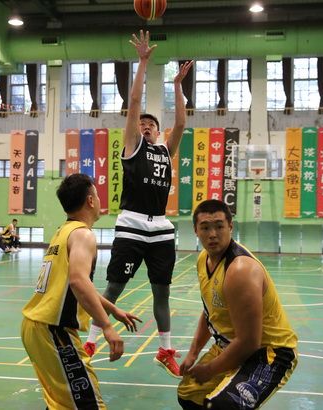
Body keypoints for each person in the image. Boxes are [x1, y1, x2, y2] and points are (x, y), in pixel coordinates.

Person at [83, 30, 193, 378]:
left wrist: (177, 84)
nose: (145, 126)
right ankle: (90, 343)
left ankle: (165, 349)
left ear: (158, 132)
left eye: (150, 124)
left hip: (160, 227)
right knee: (114, 288)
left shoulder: (165, 151)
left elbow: (181, 122)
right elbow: (133, 103)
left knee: (162, 293)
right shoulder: (132, 147)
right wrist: (143, 62)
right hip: (131, 224)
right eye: (141, 123)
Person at [21, 173, 141, 409]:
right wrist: (106, 326)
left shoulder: (63, 232)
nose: (99, 200)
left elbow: (74, 281)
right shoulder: (84, 234)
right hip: (53, 329)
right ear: (90, 200)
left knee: (63, 403)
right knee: (88, 404)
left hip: (36, 326)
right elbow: (78, 281)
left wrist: (113, 308)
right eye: (97, 194)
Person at [177, 200, 298, 409]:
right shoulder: (203, 259)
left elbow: (250, 342)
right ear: (195, 230)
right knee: (188, 395)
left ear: (230, 227)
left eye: (219, 226)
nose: (212, 234)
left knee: (223, 406)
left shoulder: (240, 270)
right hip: (230, 344)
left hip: (269, 353)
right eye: (205, 228)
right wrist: (193, 353)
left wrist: (210, 369)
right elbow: (209, 312)